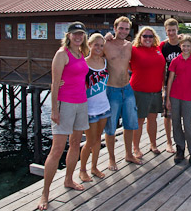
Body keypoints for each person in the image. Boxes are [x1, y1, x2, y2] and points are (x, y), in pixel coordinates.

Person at [38, 21, 90, 210]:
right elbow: (54, 83)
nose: (78, 37)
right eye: (74, 34)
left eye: (81, 34)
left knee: (75, 143)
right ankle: (45, 193)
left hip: (81, 103)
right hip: (65, 104)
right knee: (57, 149)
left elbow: (80, 76)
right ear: (68, 35)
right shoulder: (62, 54)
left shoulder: (81, 53)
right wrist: (54, 110)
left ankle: (69, 179)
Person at [103, 16, 142, 170]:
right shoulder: (106, 44)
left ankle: (128, 154)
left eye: (126, 29)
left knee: (130, 124)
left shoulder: (129, 46)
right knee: (110, 127)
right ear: (115, 28)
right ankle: (112, 159)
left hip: (127, 89)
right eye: (121, 28)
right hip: (111, 90)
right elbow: (89, 56)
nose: (124, 31)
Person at [130, 26, 166, 159]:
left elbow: (171, 42)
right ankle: (136, 147)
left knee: (153, 119)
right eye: (145, 36)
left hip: (156, 91)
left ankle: (153, 144)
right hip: (139, 92)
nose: (148, 39)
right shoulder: (133, 50)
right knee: (139, 120)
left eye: (150, 36)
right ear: (140, 37)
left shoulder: (158, 48)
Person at [79, 33, 110, 182]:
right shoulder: (83, 63)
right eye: (96, 44)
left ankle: (94, 166)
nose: (98, 47)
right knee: (90, 141)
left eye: (101, 45)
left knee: (98, 138)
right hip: (89, 109)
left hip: (104, 106)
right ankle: (82, 169)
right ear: (89, 45)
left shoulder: (105, 61)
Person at [166, 35, 191, 165]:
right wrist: (168, 98)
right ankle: (180, 148)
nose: (186, 48)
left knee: (187, 124)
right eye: (183, 45)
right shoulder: (175, 60)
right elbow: (170, 79)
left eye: (188, 46)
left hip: (188, 97)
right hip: (175, 95)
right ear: (180, 46)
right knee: (175, 123)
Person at [160, 18, 182, 154]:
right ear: (166, 31)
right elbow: (162, 68)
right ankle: (169, 142)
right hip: (169, 83)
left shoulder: (183, 44)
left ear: (177, 30)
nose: (172, 33)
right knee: (168, 115)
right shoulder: (164, 46)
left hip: (184, 84)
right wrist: (163, 87)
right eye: (169, 30)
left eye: (174, 30)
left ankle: (183, 140)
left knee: (186, 115)